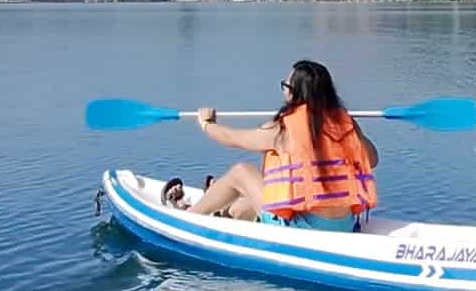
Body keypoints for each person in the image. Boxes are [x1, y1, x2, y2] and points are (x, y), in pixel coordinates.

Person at [161, 59, 379, 231]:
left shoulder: (282, 130)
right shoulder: (346, 125)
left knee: (242, 172)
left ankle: (187, 217)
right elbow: (373, 159)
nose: (284, 90)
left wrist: (206, 124)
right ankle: (227, 213)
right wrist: (351, 130)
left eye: (286, 85)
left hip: (304, 229)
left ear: (295, 93)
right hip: (344, 225)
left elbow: (232, 138)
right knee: (255, 197)